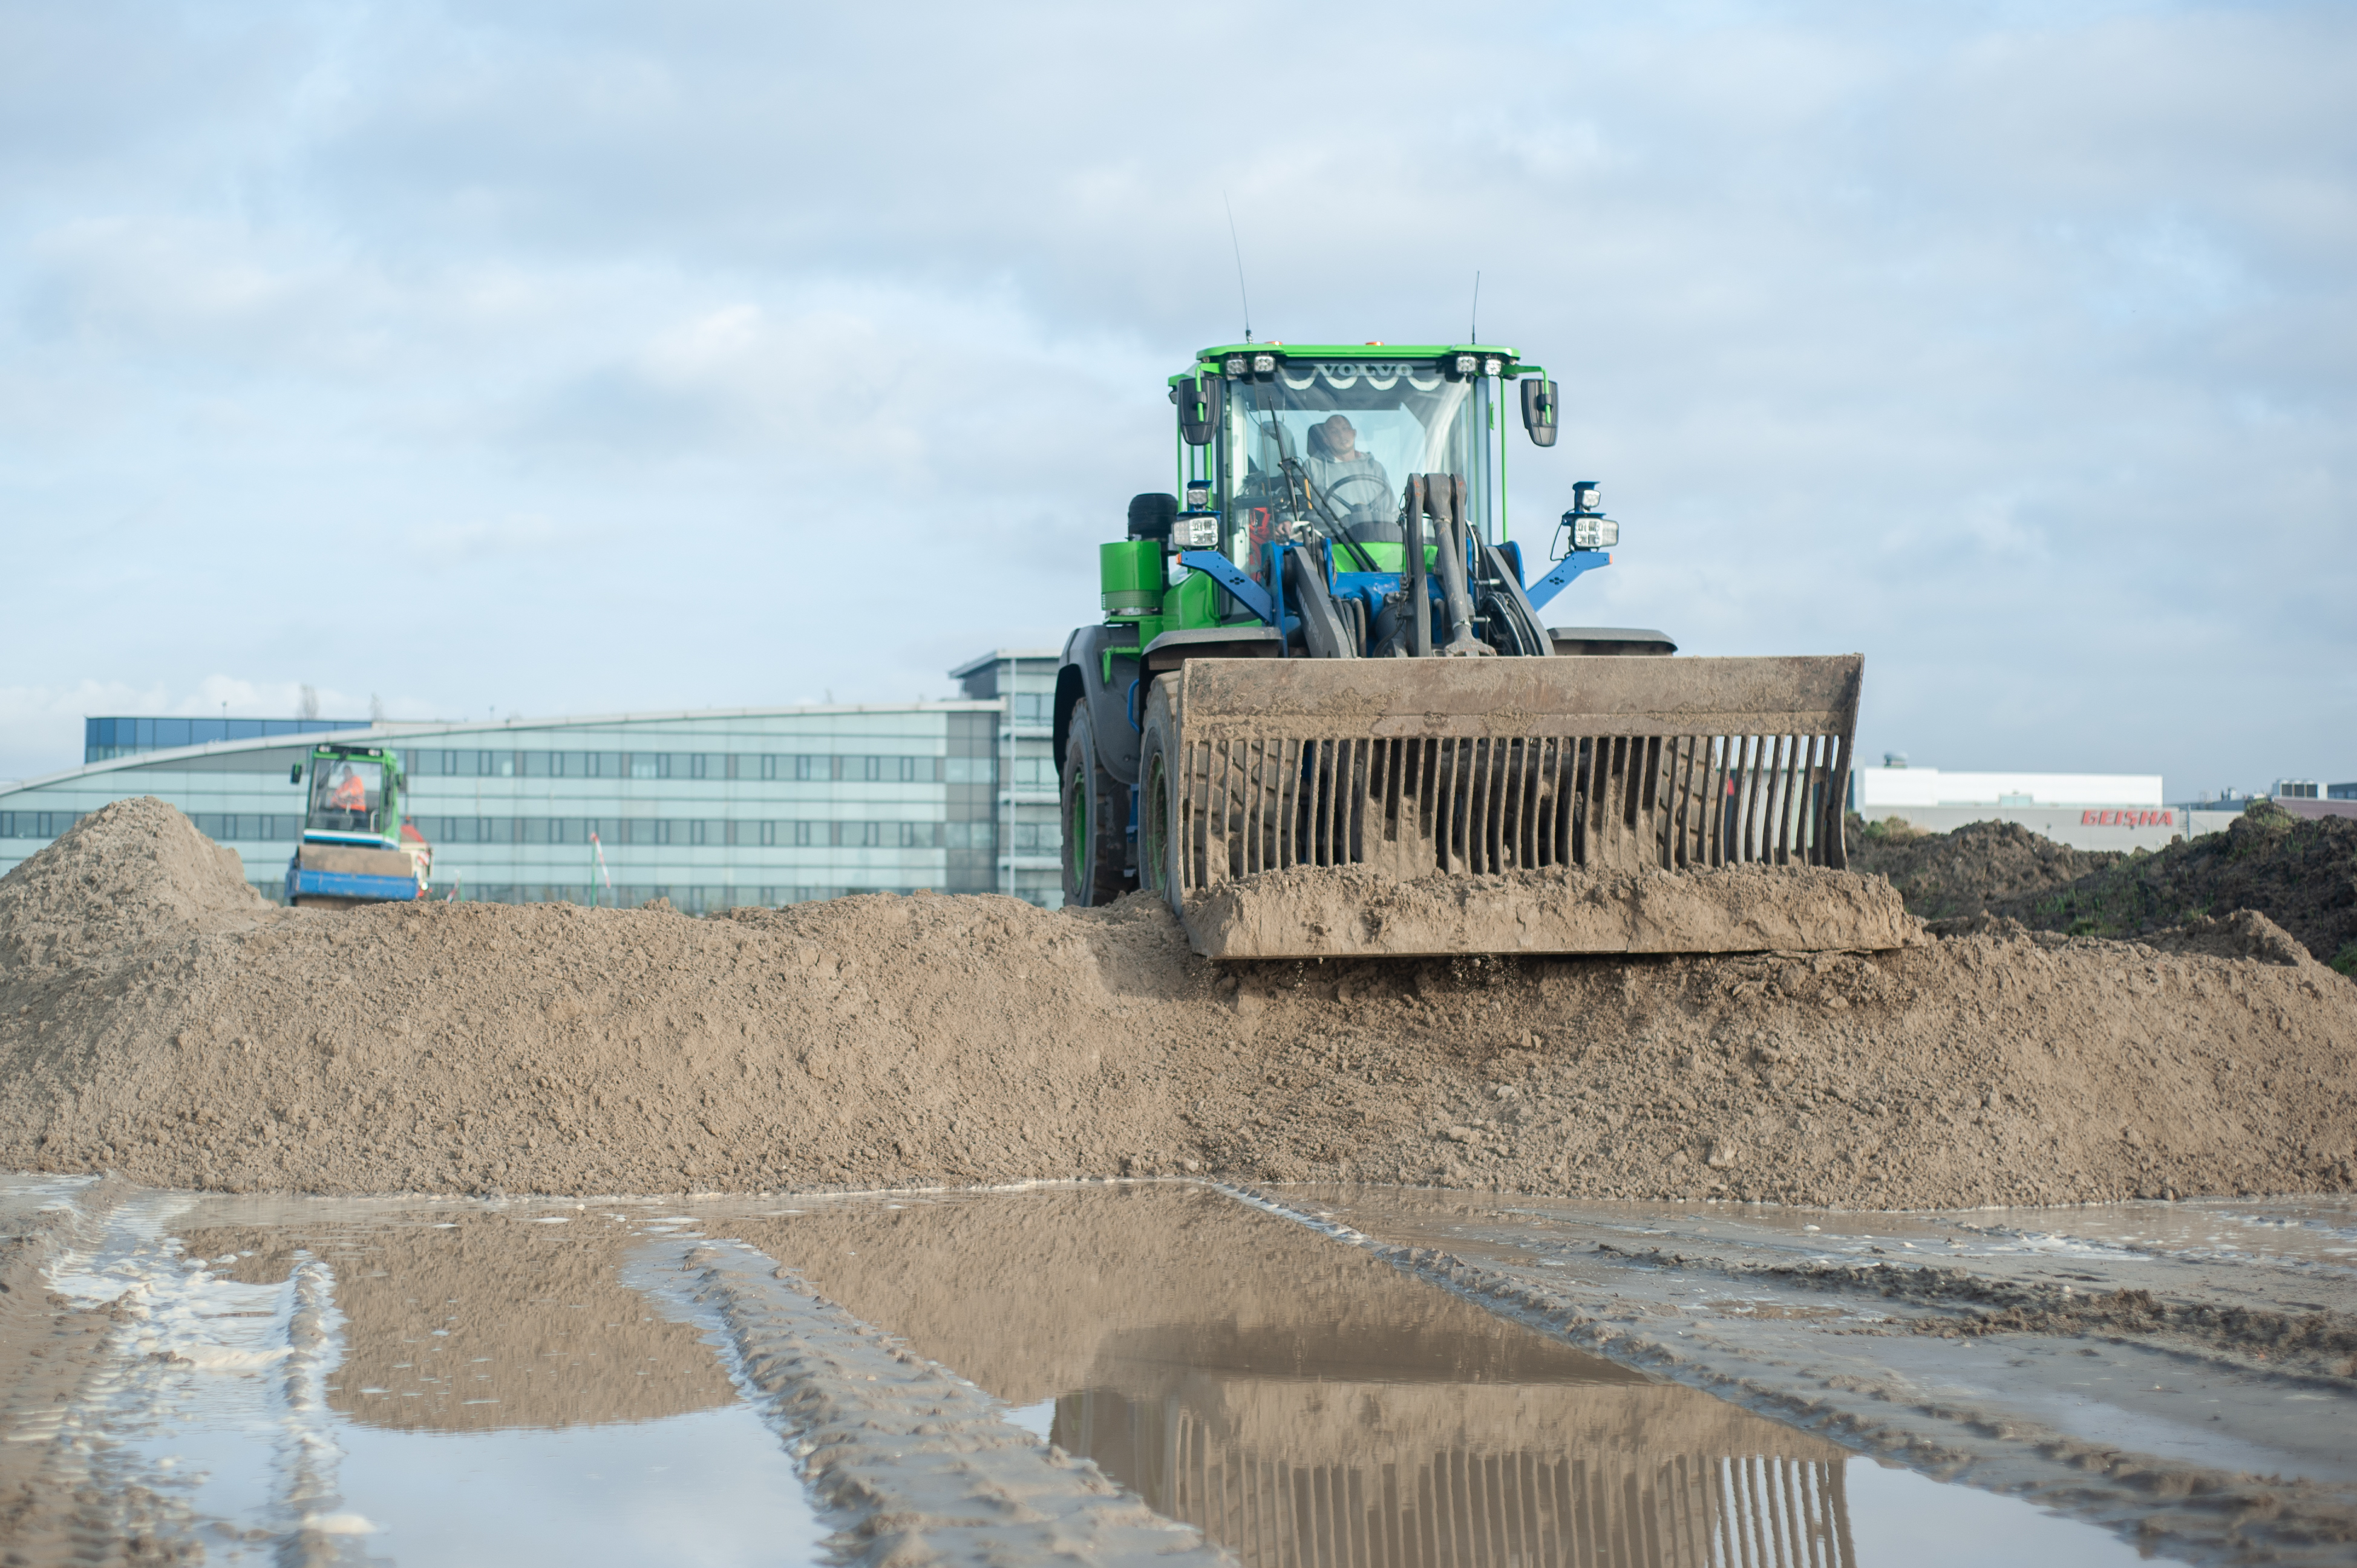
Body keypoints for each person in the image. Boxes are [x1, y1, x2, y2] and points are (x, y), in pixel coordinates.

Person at [1303, 414, 1392, 522]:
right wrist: (1287, 521)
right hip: (1329, 536)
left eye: (1345, 429)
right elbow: (1297, 505)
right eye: (1334, 432)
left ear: (1354, 433)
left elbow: (1392, 512)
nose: (1342, 435)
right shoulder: (1312, 467)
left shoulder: (1374, 468)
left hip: (1372, 534)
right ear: (1326, 441)